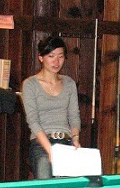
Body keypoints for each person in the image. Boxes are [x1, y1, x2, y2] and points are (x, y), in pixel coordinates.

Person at [22, 36, 81, 179]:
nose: (56, 61)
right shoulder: (30, 84)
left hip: (67, 141)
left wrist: (75, 139)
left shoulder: (69, 83)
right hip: (41, 143)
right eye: (51, 56)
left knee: (72, 182)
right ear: (41, 58)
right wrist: (50, 150)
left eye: (60, 56)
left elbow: (74, 116)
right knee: (44, 167)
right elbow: (33, 121)